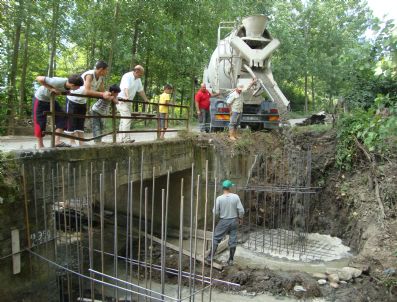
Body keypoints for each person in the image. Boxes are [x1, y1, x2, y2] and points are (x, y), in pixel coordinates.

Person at [66, 60, 112, 146]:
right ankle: (72, 141)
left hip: (82, 101)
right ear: (101, 69)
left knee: (80, 121)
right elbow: (87, 91)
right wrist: (103, 94)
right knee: (71, 120)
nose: (107, 72)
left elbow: (102, 91)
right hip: (73, 99)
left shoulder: (101, 78)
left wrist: (109, 95)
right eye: (106, 70)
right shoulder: (90, 75)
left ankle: (81, 142)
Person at [33, 74, 84, 148]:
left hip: (51, 100)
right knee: (39, 122)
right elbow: (39, 78)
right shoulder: (57, 81)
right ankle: (40, 145)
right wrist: (51, 88)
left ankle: (56, 141)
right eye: (78, 87)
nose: (78, 88)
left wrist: (65, 92)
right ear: (72, 85)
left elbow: (62, 91)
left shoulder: (69, 87)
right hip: (40, 99)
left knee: (62, 117)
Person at [206, 179, 245, 266]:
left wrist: (222, 211)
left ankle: (210, 257)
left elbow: (215, 212)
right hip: (234, 220)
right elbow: (241, 210)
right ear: (230, 187)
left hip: (224, 221)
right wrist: (240, 218)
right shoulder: (236, 197)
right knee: (233, 239)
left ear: (223, 188)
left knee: (216, 238)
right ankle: (230, 260)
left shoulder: (219, 198)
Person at [117, 65, 150, 142]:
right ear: (136, 71)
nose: (141, 76)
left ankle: (121, 138)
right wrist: (127, 96)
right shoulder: (127, 76)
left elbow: (141, 90)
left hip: (129, 101)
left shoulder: (138, 79)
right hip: (122, 100)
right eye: (140, 74)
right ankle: (126, 138)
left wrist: (146, 100)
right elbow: (125, 87)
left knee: (124, 119)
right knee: (127, 118)